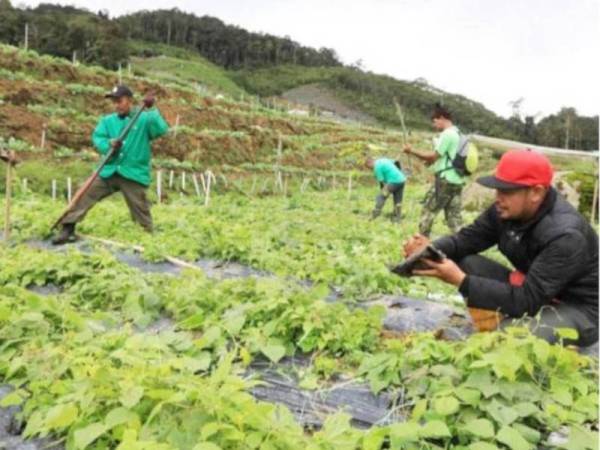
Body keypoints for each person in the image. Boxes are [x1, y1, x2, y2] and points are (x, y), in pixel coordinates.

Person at [403, 149, 598, 347]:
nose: (498, 197)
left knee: (508, 340)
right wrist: (428, 249)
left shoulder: (565, 235)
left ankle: (514, 330)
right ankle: (496, 323)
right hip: (534, 288)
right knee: (466, 261)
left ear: (536, 192)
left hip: (579, 307)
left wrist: (461, 281)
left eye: (507, 191)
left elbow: (528, 301)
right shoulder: (505, 210)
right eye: (497, 189)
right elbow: (465, 240)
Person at [52, 85, 169, 245]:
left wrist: (152, 109)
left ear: (129, 101)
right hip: (109, 169)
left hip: (133, 172)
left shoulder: (144, 119)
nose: (116, 105)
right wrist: (109, 144)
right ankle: (67, 228)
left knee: (139, 207)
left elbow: (162, 129)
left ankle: (147, 237)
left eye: (119, 101)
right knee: (86, 193)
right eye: (114, 102)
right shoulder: (107, 121)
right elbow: (98, 138)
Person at [403, 104, 465, 236]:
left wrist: (411, 150)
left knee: (428, 211)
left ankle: (422, 245)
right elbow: (444, 157)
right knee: (454, 218)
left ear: (442, 118)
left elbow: (433, 155)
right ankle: (465, 245)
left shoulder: (447, 134)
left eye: (435, 121)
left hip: (445, 180)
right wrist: (428, 162)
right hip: (457, 180)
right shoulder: (458, 133)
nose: (434, 125)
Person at [365, 157, 406, 223]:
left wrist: (384, 192)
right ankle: (397, 218)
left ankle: (375, 214)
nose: (370, 169)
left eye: (369, 167)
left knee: (381, 197)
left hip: (393, 181)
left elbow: (382, 182)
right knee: (398, 200)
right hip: (401, 179)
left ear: (369, 163)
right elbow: (396, 162)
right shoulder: (383, 159)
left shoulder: (377, 167)